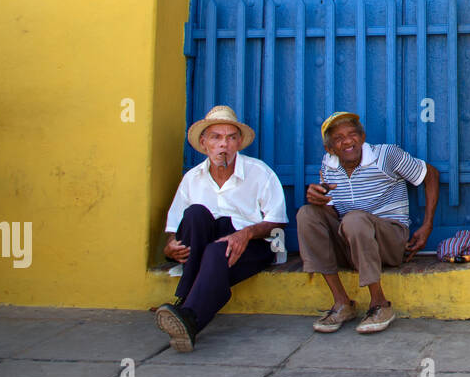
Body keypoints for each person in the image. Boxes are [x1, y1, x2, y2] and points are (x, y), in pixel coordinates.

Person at [154, 105, 288, 352]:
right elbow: (175, 229)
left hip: (253, 244)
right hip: (207, 245)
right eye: (216, 137)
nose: (223, 145)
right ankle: (187, 312)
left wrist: (245, 233)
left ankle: (188, 313)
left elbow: (277, 221)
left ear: (238, 143)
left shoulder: (259, 173)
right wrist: (171, 247)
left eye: (230, 138)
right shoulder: (192, 178)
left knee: (217, 251)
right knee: (196, 214)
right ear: (204, 143)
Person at [297, 111, 440, 334]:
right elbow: (333, 212)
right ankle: (342, 303)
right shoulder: (328, 165)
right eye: (338, 138)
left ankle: (380, 304)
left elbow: (430, 174)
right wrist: (317, 199)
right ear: (330, 148)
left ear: (362, 137)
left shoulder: (386, 155)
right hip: (352, 242)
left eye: (352, 134)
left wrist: (427, 225)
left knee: (354, 218)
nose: (347, 141)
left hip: (389, 241)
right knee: (307, 214)